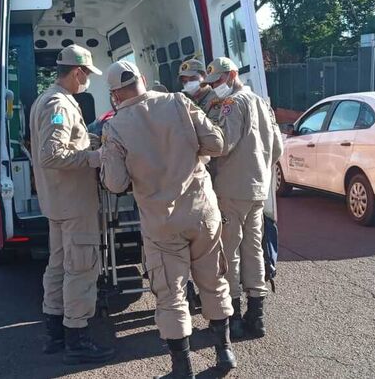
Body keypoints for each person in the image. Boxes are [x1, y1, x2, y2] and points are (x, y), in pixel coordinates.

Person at [100, 60, 236, 378]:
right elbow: (216, 144)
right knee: (214, 281)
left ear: (114, 94)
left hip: (161, 221)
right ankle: (224, 352)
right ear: (143, 80)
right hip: (203, 212)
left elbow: (116, 183)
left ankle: (182, 367)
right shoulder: (179, 102)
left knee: (171, 292)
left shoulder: (115, 127)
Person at [29, 44, 115, 365]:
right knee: (81, 268)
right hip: (74, 203)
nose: (87, 81)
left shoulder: (48, 99)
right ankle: (76, 338)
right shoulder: (60, 105)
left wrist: (89, 142)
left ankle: (54, 333)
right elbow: (53, 154)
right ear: (77, 71)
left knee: (58, 266)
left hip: (58, 202)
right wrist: (96, 156)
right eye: (87, 75)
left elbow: (64, 144)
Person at [205, 57, 283, 339]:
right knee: (254, 250)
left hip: (231, 189)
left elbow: (222, 144)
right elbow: (277, 147)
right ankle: (257, 316)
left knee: (230, 252)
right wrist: (259, 170)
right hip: (257, 188)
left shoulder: (233, 104)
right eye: (212, 83)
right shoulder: (263, 103)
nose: (215, 87)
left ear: (233, 75)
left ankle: (234, 316)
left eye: (218, 81)